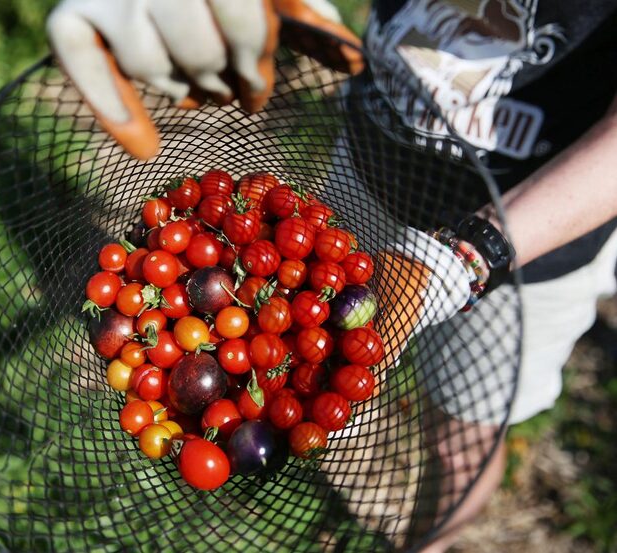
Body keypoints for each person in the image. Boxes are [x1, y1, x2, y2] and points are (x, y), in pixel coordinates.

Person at [46, 1, 617, 551]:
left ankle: (432, 543)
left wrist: (472, 253)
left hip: (536, 244)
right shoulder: (263, 285)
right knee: (337, 346)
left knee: (464, 439)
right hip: (373, 161)